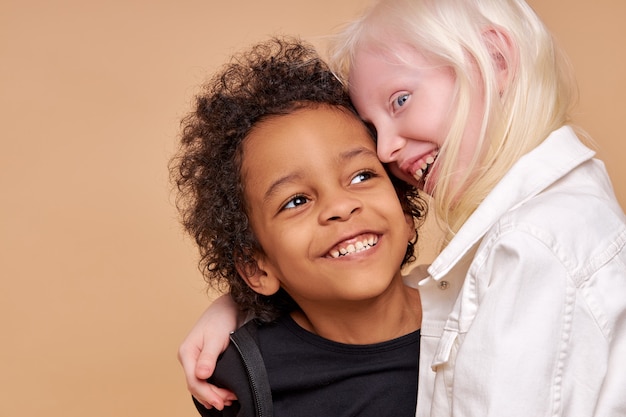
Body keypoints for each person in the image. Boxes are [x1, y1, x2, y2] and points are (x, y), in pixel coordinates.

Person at [179, 1, 626, 416]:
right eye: (296, 200)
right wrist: (241, 310)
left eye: (401, 101)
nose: (388, 149)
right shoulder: (246, 376)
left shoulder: (533, 247)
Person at [171, 37, 427, 417]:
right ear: (257, 268)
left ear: (404, 209)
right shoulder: (242, 380)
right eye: (296, 201)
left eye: (360, 176)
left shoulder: (484, 311)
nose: (340, 206)